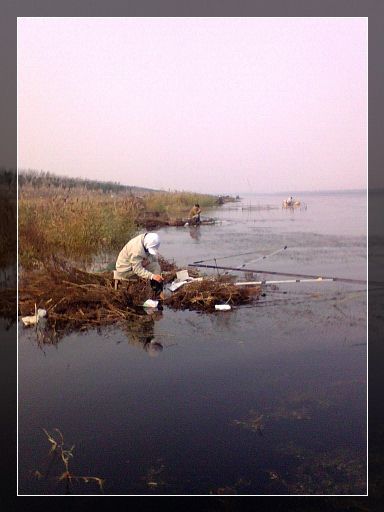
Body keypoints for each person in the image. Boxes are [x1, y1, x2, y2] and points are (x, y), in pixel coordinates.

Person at [115, 232, 164, 297]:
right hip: (125, 271)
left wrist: (149, 262)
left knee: (156, 266)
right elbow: (137, 269)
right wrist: (152, 276)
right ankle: (157, 292)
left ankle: (156, 289)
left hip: (132, 265)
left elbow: (152, 256)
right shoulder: (136, 250)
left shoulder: (145, 239)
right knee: (154, 268)